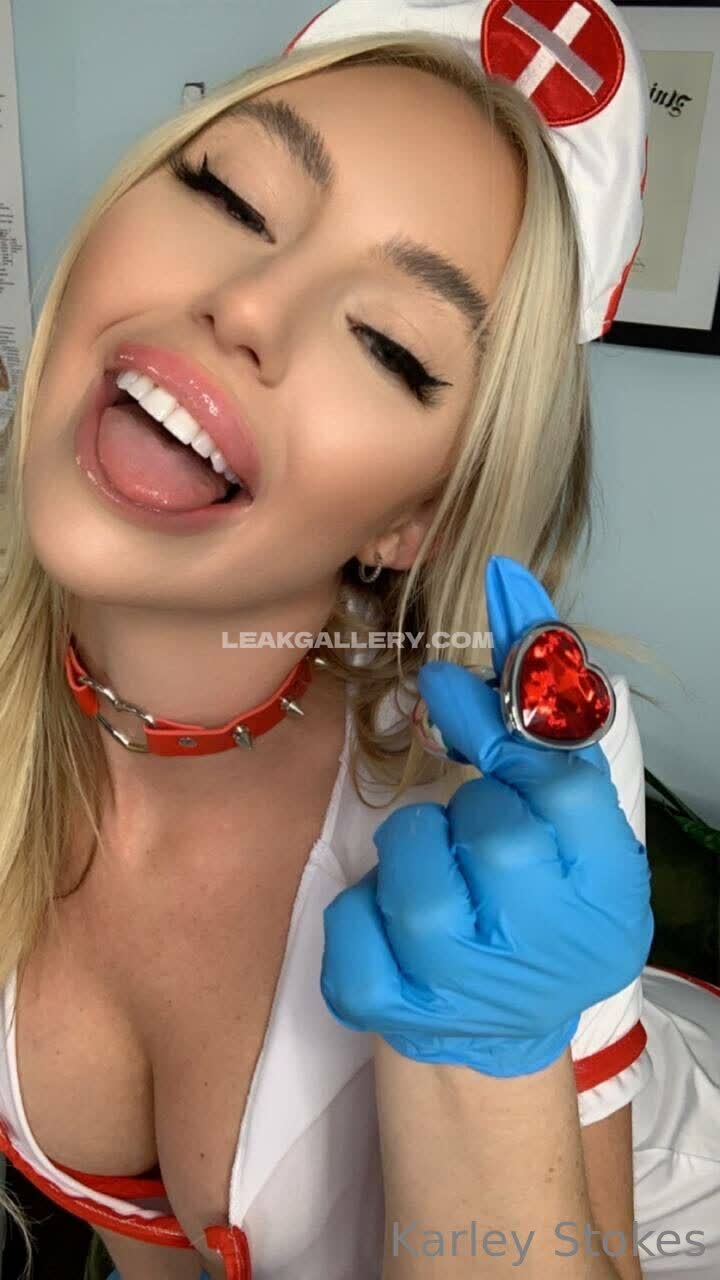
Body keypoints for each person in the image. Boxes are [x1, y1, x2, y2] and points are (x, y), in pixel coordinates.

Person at [0, 2, 717, 1278]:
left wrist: (489, 1072)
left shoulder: (500, 779)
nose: (246, 305)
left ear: (412, 519)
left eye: (389, 343)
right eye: (227, 193)